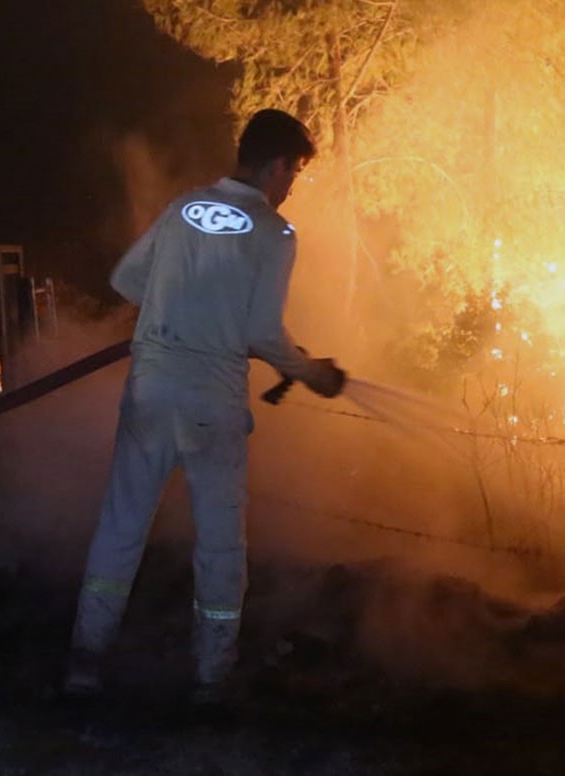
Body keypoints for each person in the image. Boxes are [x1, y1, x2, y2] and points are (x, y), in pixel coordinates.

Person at [69, 108, 345, 704]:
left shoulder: (179, 211)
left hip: (149, 389)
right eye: (294, 171)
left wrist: (183, 303)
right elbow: (265, 332)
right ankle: (211, 680)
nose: (291, 184)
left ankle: (84, 666)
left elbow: (126, 281)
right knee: (220, 545)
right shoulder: (274, 233)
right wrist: (311, 373)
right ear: (274, 166)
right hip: (210, 404)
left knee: (120, 529)